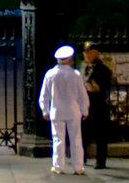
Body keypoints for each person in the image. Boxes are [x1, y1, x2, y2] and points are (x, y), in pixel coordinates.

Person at [38, 44, 90, 175]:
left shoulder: (50, 74)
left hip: (57, 111)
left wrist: (45, 110)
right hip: (73, 111)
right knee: (76, 139)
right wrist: (85, 110)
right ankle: (78, 167)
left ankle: (58, 166)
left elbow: (44, 95)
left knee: (58, 139)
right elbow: (82, 95)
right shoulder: (76, 75)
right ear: (69, 60)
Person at [82, 43, 116, 171]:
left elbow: (99, 88)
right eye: (85, 52)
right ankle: (82, 157)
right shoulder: (85, 68)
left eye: (89, 52)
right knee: (84, 132)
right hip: (86, 105)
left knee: (100, 134)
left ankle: (100, 161)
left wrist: (88, 84)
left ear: (96, 53)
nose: (86, 54)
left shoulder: (103, 69)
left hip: (98, 105)